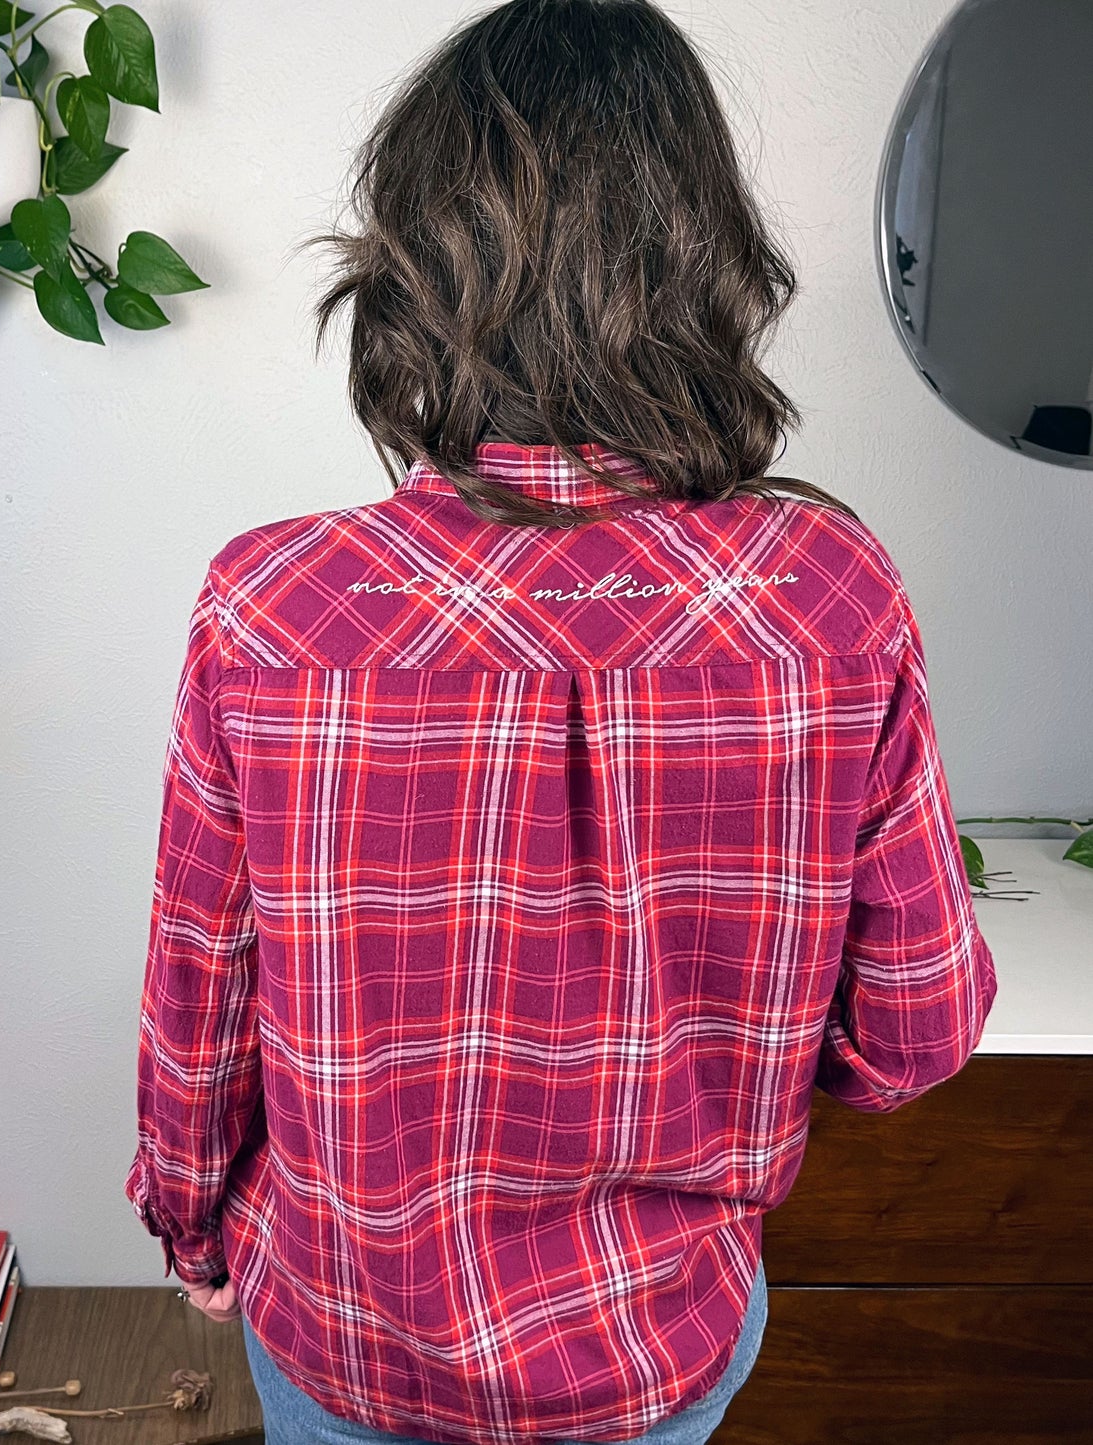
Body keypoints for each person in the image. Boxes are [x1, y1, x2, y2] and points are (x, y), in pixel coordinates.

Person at [125, 2, 998, 1442]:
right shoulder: (826, 595)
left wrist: (192, 1226)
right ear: (703, 258)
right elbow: (909, 1032)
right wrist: (730, 1050)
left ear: (413, 262)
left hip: (347, 1330)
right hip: (651, 1338)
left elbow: (197, 1006)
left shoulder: (273, 606)